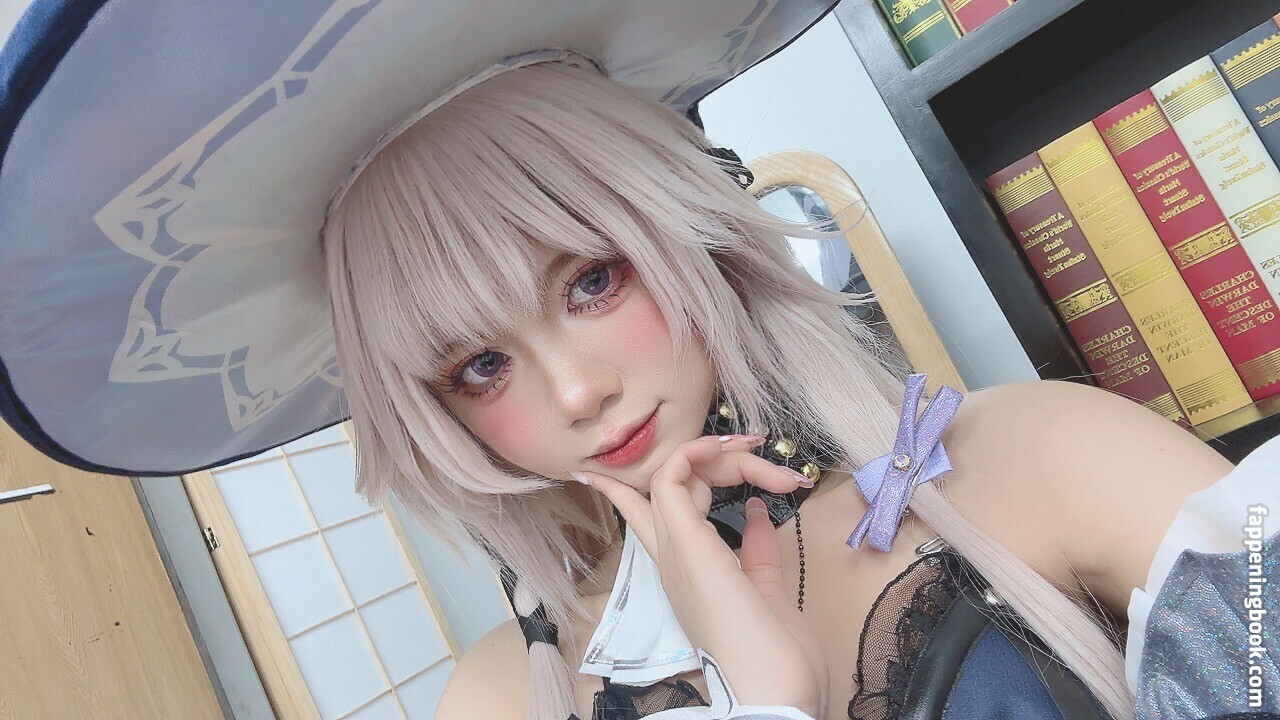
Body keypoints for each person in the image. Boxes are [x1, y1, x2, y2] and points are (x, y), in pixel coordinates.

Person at [0, 4, 1275, 720]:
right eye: (477, 367)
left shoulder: (1028, 459)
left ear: (685, 234)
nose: (573, 390)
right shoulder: (504, 699)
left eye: (590, 282)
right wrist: (762, 696)